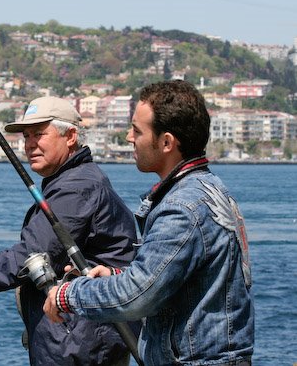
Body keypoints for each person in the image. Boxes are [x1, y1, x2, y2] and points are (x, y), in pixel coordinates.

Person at [44, 80, 255, 365]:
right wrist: (117, 277)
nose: (129, 138)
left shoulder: (183, 208)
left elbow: (138, 296)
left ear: (166, 142)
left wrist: (67, 296)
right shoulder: (210, 189)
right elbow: (176, 280)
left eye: (137, 130)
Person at [0, 96, 139, 365]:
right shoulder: (74, 180)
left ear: (70, 136)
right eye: (26, 136)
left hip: (83, 339)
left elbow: (35, 251)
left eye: (40, 134)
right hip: (81, 334)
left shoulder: (77, 186)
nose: (30, 144)